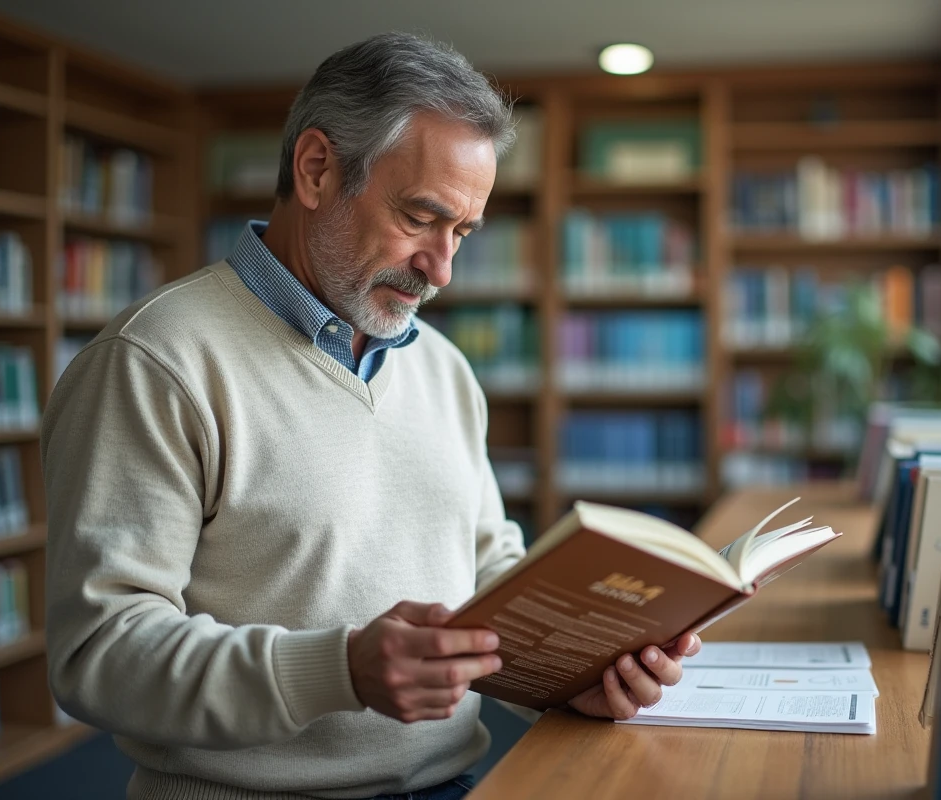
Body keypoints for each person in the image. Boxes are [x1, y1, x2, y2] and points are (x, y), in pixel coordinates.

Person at [42, 31, 700, 800]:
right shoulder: (156, 361)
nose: (442, 268)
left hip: (451, 784)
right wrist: (340, 671)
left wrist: (566, 677)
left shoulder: (445, 370)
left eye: (462, 232)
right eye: (422, 217)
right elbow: (98, 653)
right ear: (317, 169)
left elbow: (486, 578)